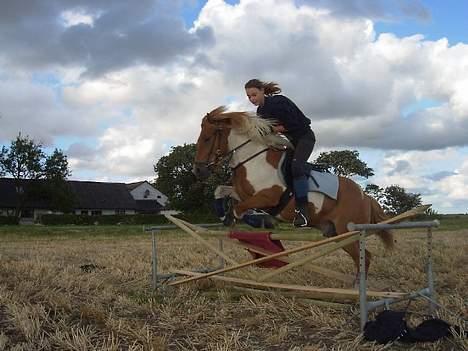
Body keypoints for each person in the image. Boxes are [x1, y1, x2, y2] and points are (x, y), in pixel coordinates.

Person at [244, 79, 316, 227]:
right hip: (290, 142)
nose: (252, 99)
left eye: (254, 95)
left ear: (262, 91)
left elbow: (294, 124)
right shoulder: (260, 112)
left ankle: (303, 211)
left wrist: (270, 130)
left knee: (296, 167)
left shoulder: (279, 102)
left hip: (304, 138)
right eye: (249, 97)